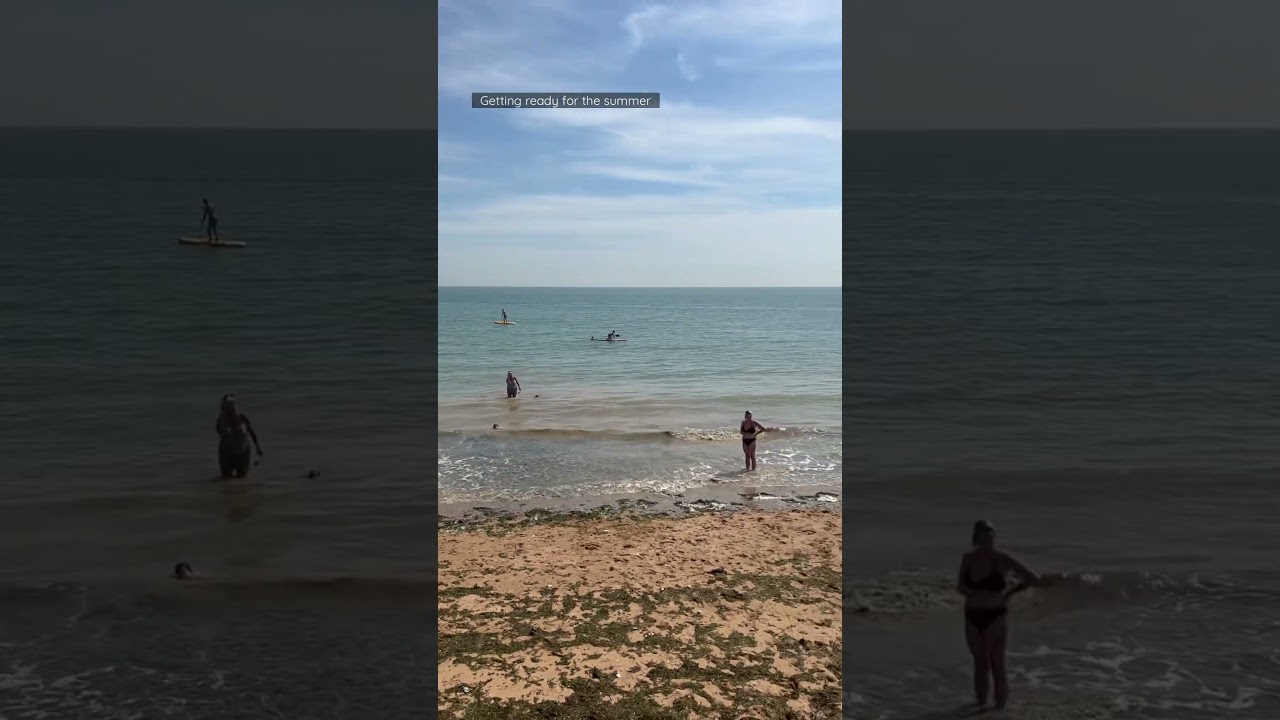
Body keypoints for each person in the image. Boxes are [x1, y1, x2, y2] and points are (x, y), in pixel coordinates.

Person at [956, 520, 1041, 711]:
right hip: (972, 614)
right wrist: (968, 592)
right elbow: (960, 585)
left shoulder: (1002, 558)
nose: (988, 538)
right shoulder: (968, 558)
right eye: (984, 535)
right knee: (980, 662)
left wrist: (1009, 594)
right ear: (977, 537)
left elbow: (1032, 578)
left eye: (991, 535)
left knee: (997, 662)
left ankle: (1000, 709)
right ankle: (980, 707)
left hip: (995, 614)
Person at [215, 393, 263, 478]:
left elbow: (251, 431)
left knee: (237, 478)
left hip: (239, 452)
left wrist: (257, 447)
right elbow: (251, 431)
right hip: (229, 452)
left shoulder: (241, 416)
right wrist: (257, 447)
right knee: (230, 478)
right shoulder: (222, 418)